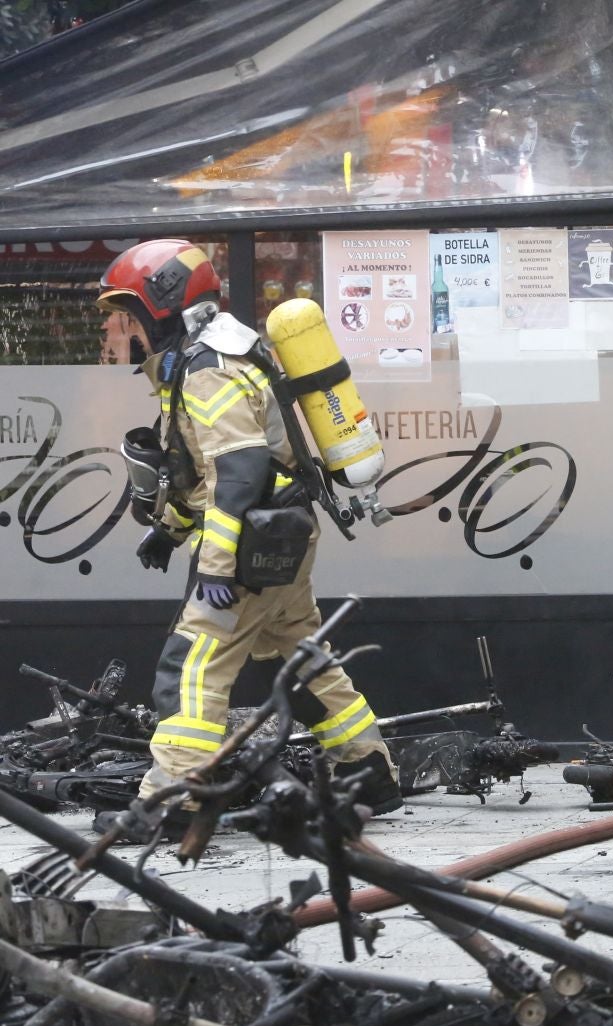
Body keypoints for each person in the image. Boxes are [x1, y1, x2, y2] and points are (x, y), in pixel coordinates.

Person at [98, 239, 400, 832]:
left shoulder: (209, 369)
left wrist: (213, 566)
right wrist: (169, 529)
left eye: (130, 313)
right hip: (281, 536)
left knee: (192, 668)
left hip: (249, 548)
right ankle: (369, 771)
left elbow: (238, 476)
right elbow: (204, 473)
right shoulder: (211, 357)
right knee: (300, 659)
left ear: (164, 305)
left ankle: (174, 802)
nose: (126, 329)